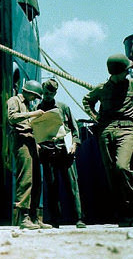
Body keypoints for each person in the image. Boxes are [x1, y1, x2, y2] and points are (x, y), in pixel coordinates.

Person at [82, 53, 133, 227]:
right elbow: (87, 100)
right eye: (127, 70)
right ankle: (123, 214)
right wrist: (95, 117)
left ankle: (130, 207)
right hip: (106, 130)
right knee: (111, 173)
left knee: (122, 167)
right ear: (118, 72)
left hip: (128, 129)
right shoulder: (102, 88)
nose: (129, 72)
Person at [38, 78, 86, 228]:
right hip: (48, 153)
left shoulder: (64, 107)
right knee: (52, 186)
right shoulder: (38, 109)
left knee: (72, 186)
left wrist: (74, 144)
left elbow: (74, 129)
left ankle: (79, 218)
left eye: (50, 94)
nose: (47, 96)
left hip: (65, 153)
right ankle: (54, 220)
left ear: (55, 93)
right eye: (45, 93)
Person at [7, 80, 52, 229]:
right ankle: (23, 217)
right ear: (30, 92)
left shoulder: (28, 104)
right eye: (35, 96)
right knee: (25, 179)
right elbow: (12, 118)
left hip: (32, 141)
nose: (35, 99)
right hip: (21, 141)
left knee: (36, 180)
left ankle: (34, 216)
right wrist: (34, 114)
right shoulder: (14, 101)